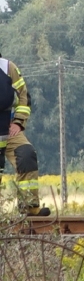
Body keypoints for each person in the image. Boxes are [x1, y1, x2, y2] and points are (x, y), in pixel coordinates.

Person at [0, 52, 50, 216]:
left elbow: (23, 96)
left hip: (8, 130)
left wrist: (18, 122)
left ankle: (29, 207)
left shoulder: (8, 67)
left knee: (26, 154)